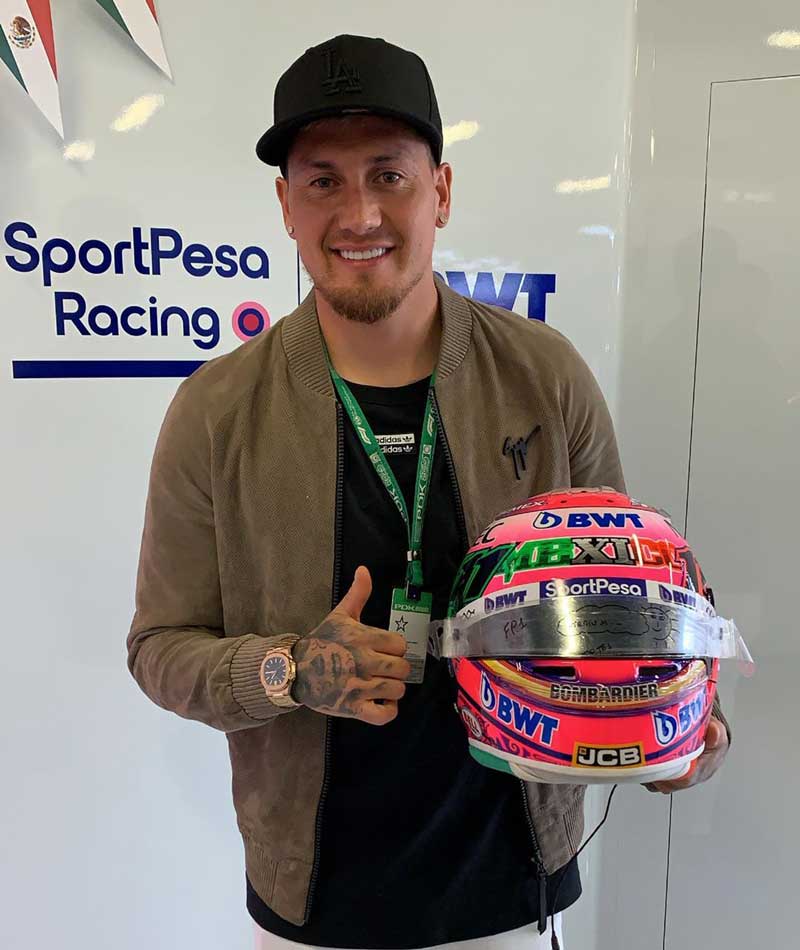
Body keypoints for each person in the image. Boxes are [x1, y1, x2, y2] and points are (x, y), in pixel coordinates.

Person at [127, 33, 730, 950]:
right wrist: (290, 670)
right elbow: (159, 649)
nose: (359, 211)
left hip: (514, 887)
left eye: (390, 175)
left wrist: (679, 715)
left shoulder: (543, 375)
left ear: (440, 191)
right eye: (322, 180)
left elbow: (634, 584)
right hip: (315, 906)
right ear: (285, 205)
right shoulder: (216, 409)